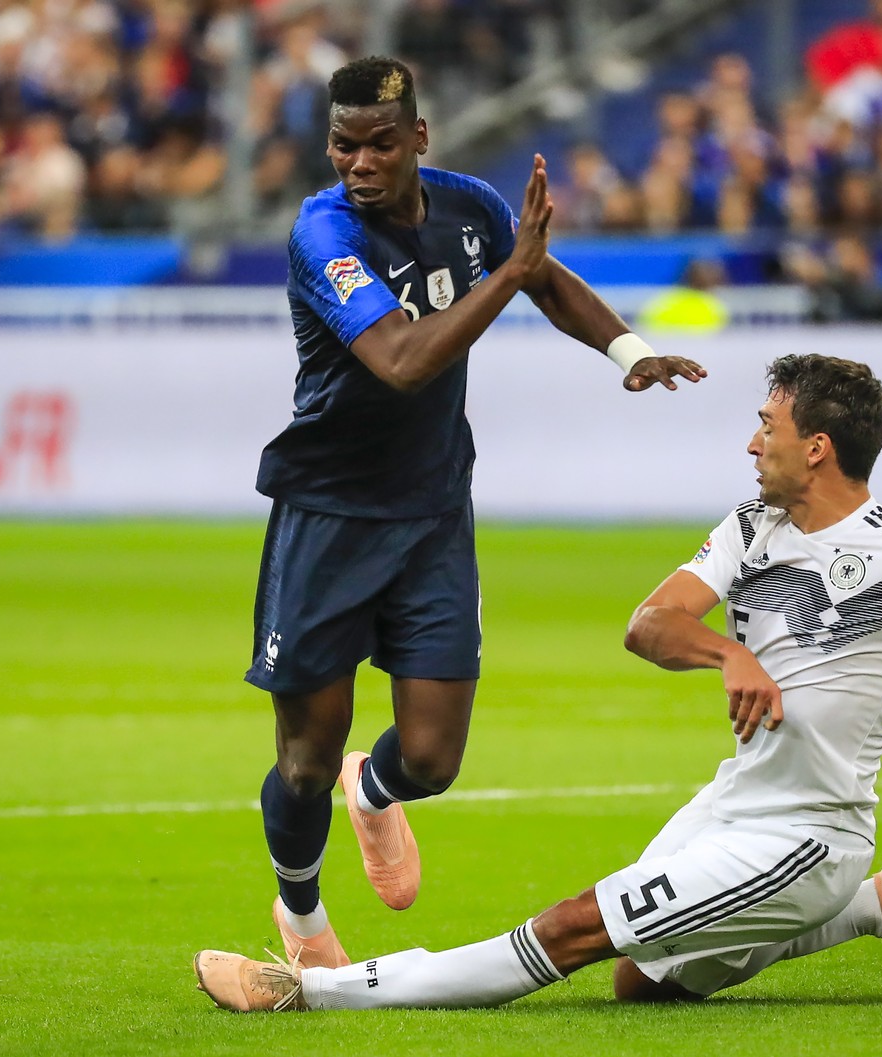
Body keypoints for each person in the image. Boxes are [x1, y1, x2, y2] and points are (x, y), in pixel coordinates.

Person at [198, 354, 882, 1011]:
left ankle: (308, 989)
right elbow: (649, 623)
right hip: (731, 805)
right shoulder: (751, 527)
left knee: (573, 930)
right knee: (639, 986)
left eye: (768, 425)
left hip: (809, 832)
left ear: (818, 446)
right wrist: (726, 653)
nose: (754, 443)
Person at [247, 55, 707, 972]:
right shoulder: (322, 233)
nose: (360, 163)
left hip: (430, 514)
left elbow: (545, 279)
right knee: (304, 754)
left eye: (380, 144)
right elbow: (405, 360)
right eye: (344, 145)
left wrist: (626, 347)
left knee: (432, 759)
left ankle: (374, 794)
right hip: (328, 517)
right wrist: (511, 274)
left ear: (418, 137)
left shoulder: (468, 208)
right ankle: (301, 916)